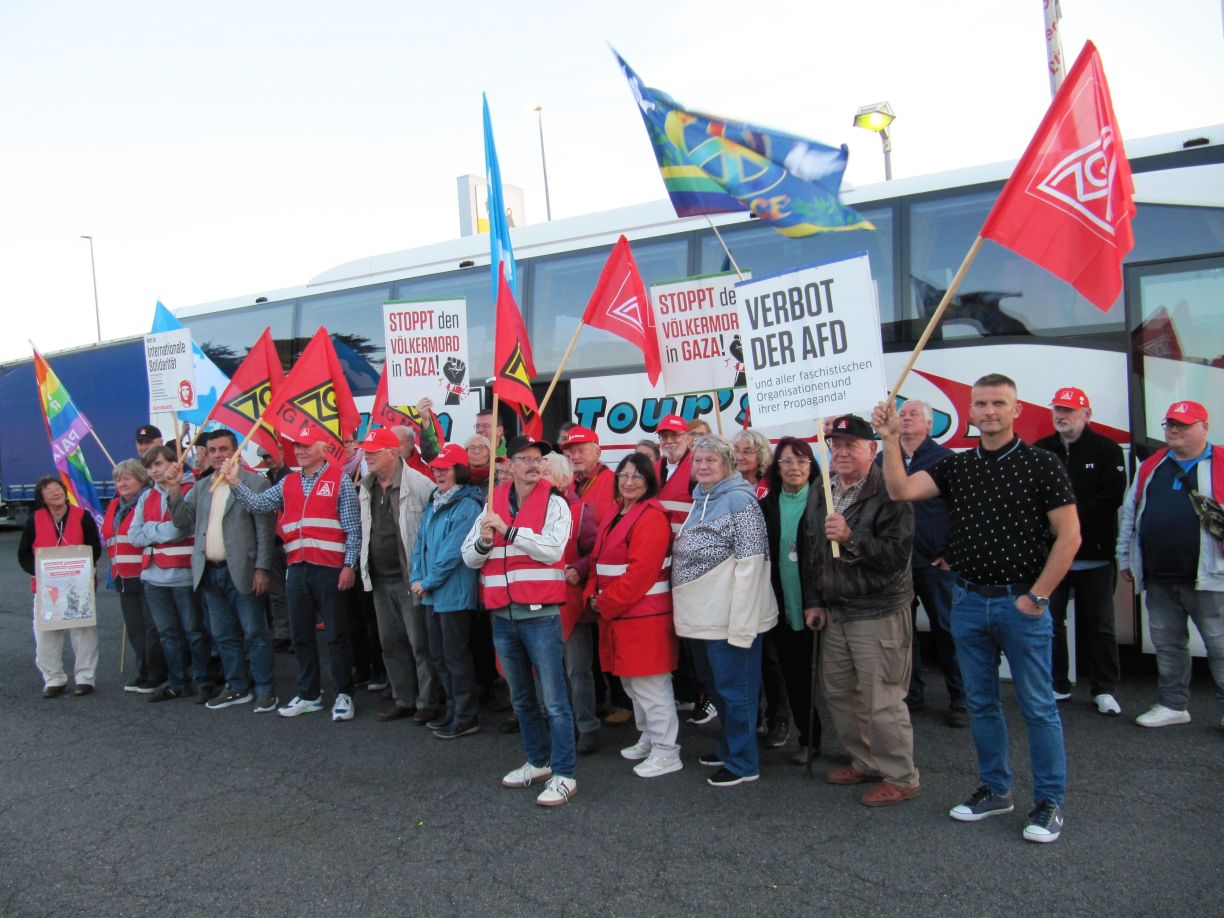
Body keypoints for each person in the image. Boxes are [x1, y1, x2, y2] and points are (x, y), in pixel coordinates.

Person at [873, 374, 1080, 844]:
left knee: (1038, 706)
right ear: (970, 412)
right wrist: (889, 438)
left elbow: (1069, 537)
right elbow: (900, 490)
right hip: (967, 601)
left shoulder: (1042, 464)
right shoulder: (957, 466)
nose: (990, 411)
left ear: (1016, 410)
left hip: (1020, 603)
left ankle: (1049, 802)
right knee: (982, 704)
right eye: (982, 404)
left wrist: (1037, 598)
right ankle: (995, 789)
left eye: (999, 403)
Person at [801, 415, 921, 807]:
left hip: (877, 610)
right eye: (836, 445)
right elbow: (812, 548)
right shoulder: (822, 488)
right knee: (839, 693)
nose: (841, 452)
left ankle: (901, 776)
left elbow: (897, 556)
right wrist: (814, 600)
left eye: (851, 445)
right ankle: (867, 760)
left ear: (872, 449)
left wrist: (852, 538)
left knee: (882, 699)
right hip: (836, 611)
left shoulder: (890, 490)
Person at [462, 435, 577, 807]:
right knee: (522, 699)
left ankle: (565, 774)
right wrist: (483, 542)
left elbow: (553, 549)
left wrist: (509, 532)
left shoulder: (556, 502)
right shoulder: (491, 503)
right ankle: (538, 762)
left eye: (538, 459)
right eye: (525, 459)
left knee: (555, 701)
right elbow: (469, 557)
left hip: (540, 616)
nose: (533, 465)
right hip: (502, 616)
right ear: (509, 464)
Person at [222, 425, 362, 722]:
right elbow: (259, 504)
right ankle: (309, 695)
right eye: (297, 446)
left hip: (331, 568)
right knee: (301, 635)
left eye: (306, 445)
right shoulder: (288, 482)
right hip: (297, 568)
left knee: (337, 635)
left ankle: (344, 694)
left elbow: (353, 529)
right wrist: (234, 481)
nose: (299, 451)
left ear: (323, 448)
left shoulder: (339, 479)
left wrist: (349, 566)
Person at [671, 434, 778, 787]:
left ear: (727, 465)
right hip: (703, 618)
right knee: (718, 689)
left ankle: (744, 762)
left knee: (736, 692)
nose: (702, 466)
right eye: (698, 460)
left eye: (711, 460)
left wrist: (742, 624)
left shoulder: (740, 501)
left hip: (729, 619)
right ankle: (731, 747)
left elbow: (752, 562)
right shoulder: (701, 498)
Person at [1117, 399, 1224, 729]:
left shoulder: (1221, 462)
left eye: (1182, 425)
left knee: (1220, 644)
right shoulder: (1152, 464)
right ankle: (1173, 705)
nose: (1173, 430)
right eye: (1170, 424)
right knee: (1167, 644)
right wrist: (1125, 556)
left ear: (1204, 428)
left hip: (1210, 575)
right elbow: (1130, 512)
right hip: (1159, 574)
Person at [165, 430, 278, 713]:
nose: (218, 455)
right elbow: (182, 522)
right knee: (224, 635)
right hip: (209, 572)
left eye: (223, 449)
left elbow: (265, 531)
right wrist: (174, 489)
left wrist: (262, 568)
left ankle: (264, 689)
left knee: (255, 633)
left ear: (236, 450)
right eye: (212, 450)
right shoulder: (203, 485)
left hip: (243, 570)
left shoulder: (255, 482)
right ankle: (237, 687)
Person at [588, 453, 682, 778]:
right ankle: (650, 736)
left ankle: (667, 750)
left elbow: (641, 573)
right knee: (632, 684)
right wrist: (593, 595)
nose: (629, 482)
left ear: (649, 482)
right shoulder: (616, 512)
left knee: (651, 686)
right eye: (624, 475)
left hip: (643, 617)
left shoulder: (652, 516)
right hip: (619, 615)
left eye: (637, 476)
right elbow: (598, 561)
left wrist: (605, 602)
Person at [1035, 387, 1126, 715]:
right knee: (1050, 623)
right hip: (1052, 556)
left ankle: (1104, 690)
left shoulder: (1107, 449)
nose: (1062, 415)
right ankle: (1058, 684)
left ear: (1086, 414)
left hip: (1095, 555)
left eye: (1069, 410)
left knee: (1100, 625)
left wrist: (1066, 521)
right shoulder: (1041, 450)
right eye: (1058, 409)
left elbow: (1112, 496)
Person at [883, 399, 967, 728]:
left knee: (947, 630)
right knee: (904, 634)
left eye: (913, 414)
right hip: (897, 563)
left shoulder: (946, 460)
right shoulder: (884, 459)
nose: (905, 417)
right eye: (902, 413)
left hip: (934, 564)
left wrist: (952, 553)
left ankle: (961, 698)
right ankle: (912, 693)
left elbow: (963, 511)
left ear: (929, 424)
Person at [357, 427, 440, 724]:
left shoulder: (420, 484)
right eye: (366, 452)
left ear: (392, 452)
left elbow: (434, 530)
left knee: (420, 644)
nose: (367, 457)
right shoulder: (365, 486)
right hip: (380, 579)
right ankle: (404, 699)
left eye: (373, 452)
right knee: (390, 643)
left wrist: (426, 575)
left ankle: (428, 701)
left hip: (410, 579)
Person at [130, 445, 218, 704]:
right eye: (150, 466)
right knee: (167, 633)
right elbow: (133, 535)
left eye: (158, 464)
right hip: (153, 575)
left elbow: (182, 528)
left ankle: (204, 681)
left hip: (183, 573)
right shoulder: (146, 496)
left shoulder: (190, 489)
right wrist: (160, 531)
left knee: (194, 631)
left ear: (173, 463)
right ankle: (178, 682)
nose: (154, 470)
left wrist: (151, 530)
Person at [411, 444, 486, 738]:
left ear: (459, 471)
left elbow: (454, 551)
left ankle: (466, 716)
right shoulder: (435, 502)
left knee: (455, 657)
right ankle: (454, 710)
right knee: (439, 655)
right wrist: (417, 576)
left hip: (453, 594)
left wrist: (426, 581)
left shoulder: (468, 505)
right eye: (436, 469)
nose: (439, 473)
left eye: (446, 469)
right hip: (431, 594)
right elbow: (420, 544)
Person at [758, 437, 823, 765]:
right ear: (776, 467)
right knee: (796, 677)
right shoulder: (767, 505)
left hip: (821, 605)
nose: (794, 467)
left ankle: (862, 748)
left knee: (837, 683)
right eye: (786, 461)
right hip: (783, 605)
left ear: (812, 466)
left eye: (801, 460)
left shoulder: (825, 502)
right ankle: (809, 739)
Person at [18, 476, 102, 697]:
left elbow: (94, 548)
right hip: (47, 587)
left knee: (83, 632)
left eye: (58, 488)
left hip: (79, 585)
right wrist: (43, 573)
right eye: (48, 490)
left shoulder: (83, 516)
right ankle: (53, 679)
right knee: (46, 635)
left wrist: (78, 569)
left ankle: (85, 678)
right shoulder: (34, 520)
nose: (55, 492)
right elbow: (24, 554)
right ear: (41, 498)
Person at [544, 451, 601, 754]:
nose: (540, 479)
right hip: (541, 602)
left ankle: (587, 726)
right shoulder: (529, 510)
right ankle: (558, 726)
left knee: (577, 671)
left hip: (572, 604)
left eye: (546, 474)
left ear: (564, 480)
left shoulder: (581, 512)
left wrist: (578, 568)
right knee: (548, 670)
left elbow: (596, 552)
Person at [101, 459, 167, 693]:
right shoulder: (115, 505)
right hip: (122, 575)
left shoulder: (147, 501)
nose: (122, 483)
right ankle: (143, 670)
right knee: (135, 627)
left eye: (127, 478)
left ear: (140, 479)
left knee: (152, 627)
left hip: (146, 573)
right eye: (118, 479)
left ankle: (157, 672)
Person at [257, 446, 292, 653]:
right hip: (272, 541)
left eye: (270, 455)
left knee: (295, 592)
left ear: (281, 452)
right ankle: (282, 633)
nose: (268, 459)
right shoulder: (263, 480)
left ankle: (296, 634)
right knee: (277, 592)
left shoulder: (292, 477)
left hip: (290, 541)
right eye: (264, 457)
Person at [733, 429, 772, 499]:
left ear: (762, 455)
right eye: (736, 451)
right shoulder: (725, 486)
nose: (739, 457)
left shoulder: (773, 487)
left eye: (746, 452)